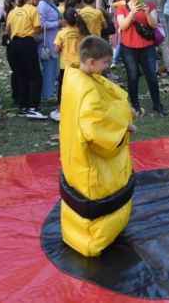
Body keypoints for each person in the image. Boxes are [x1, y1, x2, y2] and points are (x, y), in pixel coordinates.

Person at [59, 36, 134, 257]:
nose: (107, 67)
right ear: (91, 62)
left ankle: (79, 233)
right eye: (104, 63)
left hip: (73, 155)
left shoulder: (72, 75)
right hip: (90, 160)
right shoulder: (88, 90)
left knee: (77, 186)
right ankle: (93, 240)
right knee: (94, 190)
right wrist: (122, 128)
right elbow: (95, 130)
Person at [115, 0, 166, 116]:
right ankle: (135, 105)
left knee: (152, 76)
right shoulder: (121, 7)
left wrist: (148, 12)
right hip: (128, 47)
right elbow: (123, 26)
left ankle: (157, 105)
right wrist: (132, 12)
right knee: (132, 76)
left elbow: (154, 25)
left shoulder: (149, 5)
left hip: (147, 46)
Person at [6, 0, 47, 119]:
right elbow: (37, 29)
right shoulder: (33, 10)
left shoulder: (13, 11)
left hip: (13, 45)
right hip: (27, 44)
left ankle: (22, 105)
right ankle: (33, 107)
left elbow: (8, 29)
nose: (39, 1)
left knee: (20, 75)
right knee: (34, 76)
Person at [50, 7, 89, 122]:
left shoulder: (61, 33)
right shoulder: (82, 32)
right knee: (79, 88)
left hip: (65, 66)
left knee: (63, 89)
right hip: (79, 65)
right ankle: (78, 109)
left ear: (64, 20)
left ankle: (61, 111)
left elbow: (56, 50)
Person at [143, 0, 169, 74]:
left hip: (148, 20)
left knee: (150, 44)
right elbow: (163, 5)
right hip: (161, 20)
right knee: (164, 45)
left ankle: (154, 68)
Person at [37, 0, 61, 101]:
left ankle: (48, 92)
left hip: (53, 39)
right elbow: (41, 24)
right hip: (47, 41)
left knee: (52, 68)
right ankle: (46, 94)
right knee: (48, 69)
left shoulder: (48, 2)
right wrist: (58, 23)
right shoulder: (42, 4)